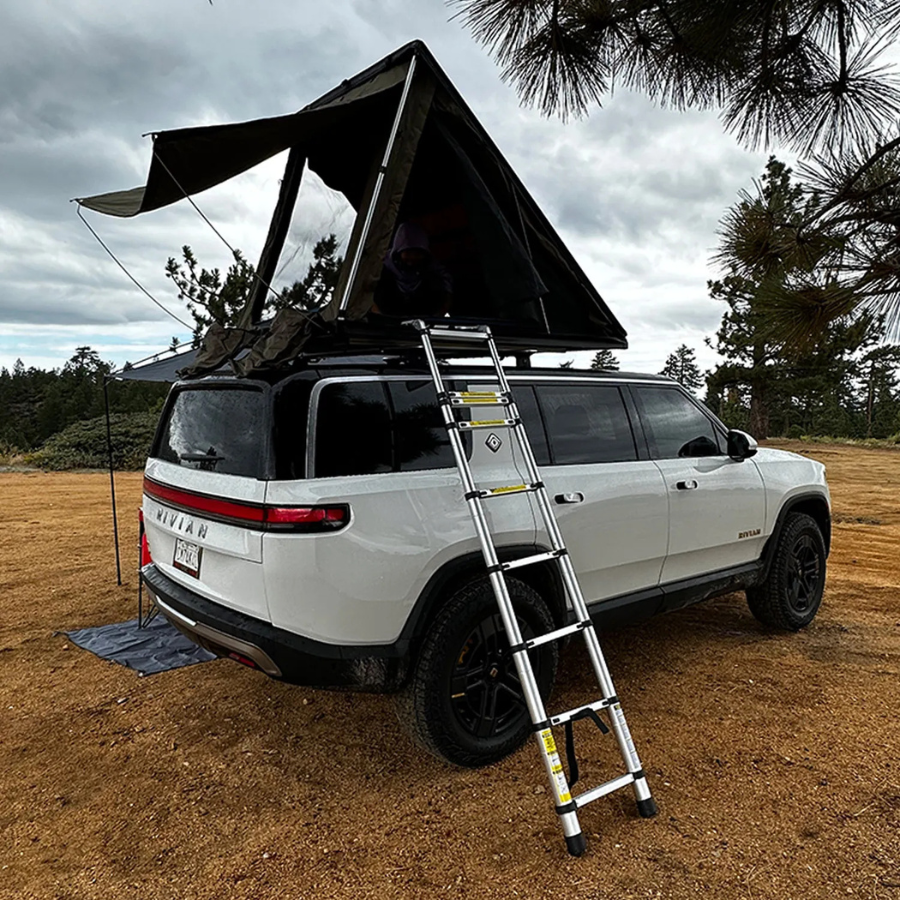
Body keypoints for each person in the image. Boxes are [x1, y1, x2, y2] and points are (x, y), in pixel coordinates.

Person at [371, 222, 452, 318]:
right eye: (408, 253)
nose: (412, 258)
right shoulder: (382, 268)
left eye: (418, 254)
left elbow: (447, 293)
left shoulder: (433, 271)